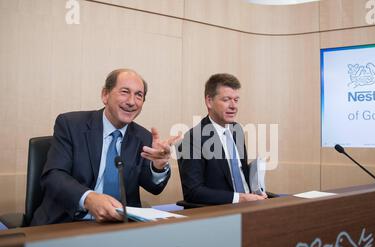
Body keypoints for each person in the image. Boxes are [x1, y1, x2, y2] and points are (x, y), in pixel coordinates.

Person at [31, 69, 179, 225]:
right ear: (105, 95)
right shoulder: (70, 125)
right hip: (68, 222)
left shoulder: (143, 137)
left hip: (120, 226)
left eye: (139, 95)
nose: (131, 101)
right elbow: (53, 176)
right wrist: (88, 198)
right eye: (124, 92)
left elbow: (154, 187)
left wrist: (158, 167)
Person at [177, 73, 267, 205]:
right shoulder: (192, 139)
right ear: (209, 101)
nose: (233, 106)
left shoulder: (237, 130)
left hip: (251, 204)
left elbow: (239, 174)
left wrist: (256, 190)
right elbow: (193, 192)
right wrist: (240, 198)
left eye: (236, 100)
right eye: (226, 100)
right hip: (221, 211)